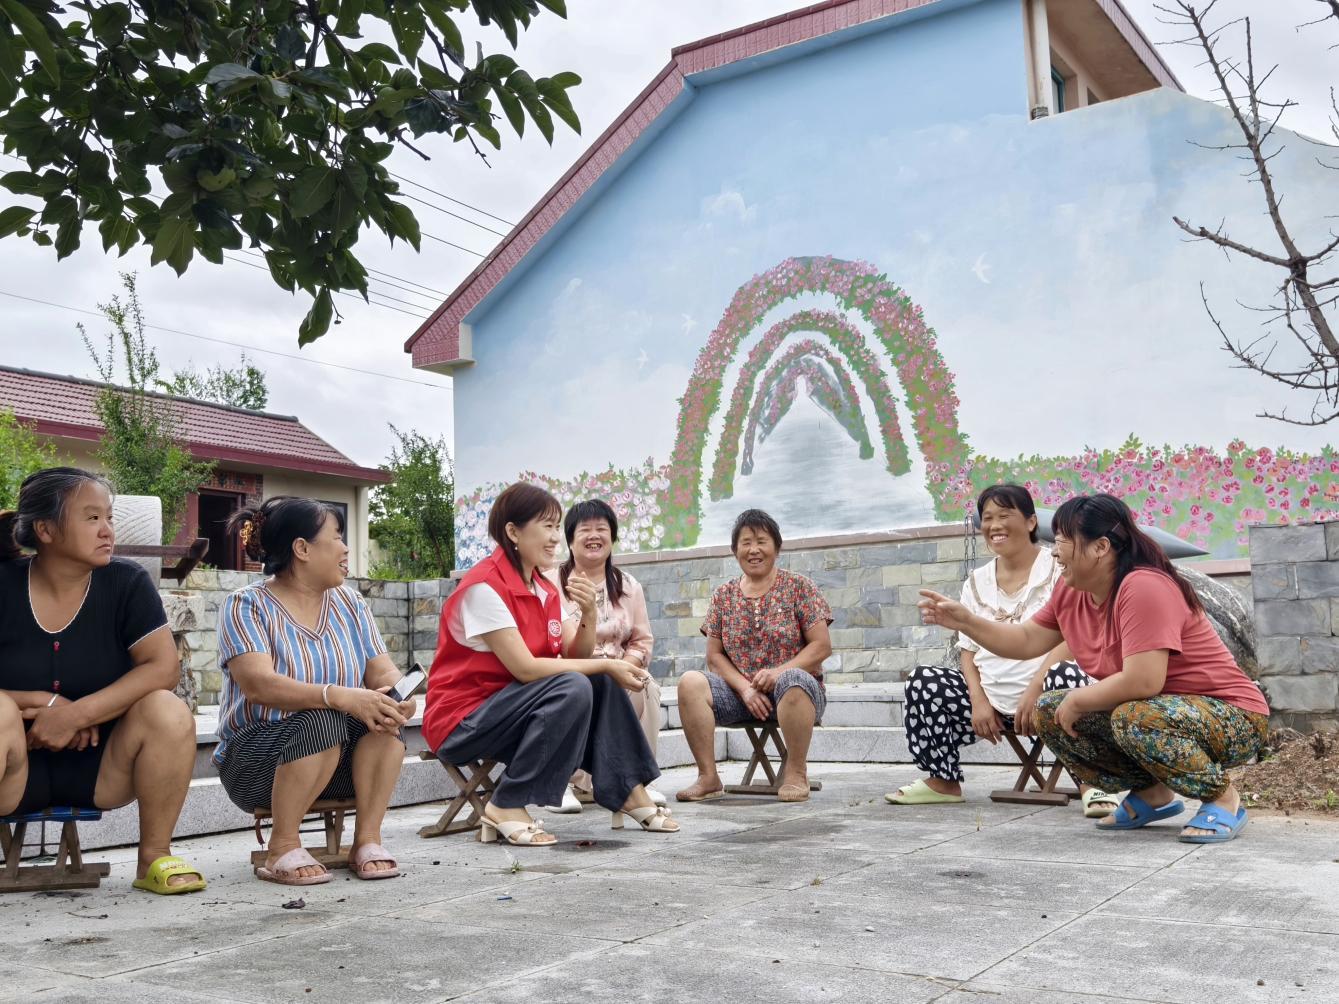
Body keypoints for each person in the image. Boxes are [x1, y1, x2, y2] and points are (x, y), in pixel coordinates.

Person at [919, 493, 1270, 844]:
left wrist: (1078, 699)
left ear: (1100, 547)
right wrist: (966, 622)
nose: (1054, 552)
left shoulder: (1143, 586)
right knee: (1051, 710)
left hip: (1233, 715)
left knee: (1130, 715)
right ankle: (1152, 794)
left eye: (1062, 541)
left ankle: (1223, 799)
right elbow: (1024, 640)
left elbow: (1144, 679)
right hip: (1163, 712)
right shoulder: (1073, 593)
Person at [422, 483, 677, 846]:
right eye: (547, 526)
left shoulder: (545, 587)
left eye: (557, 527)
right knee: (577, 684)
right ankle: (506, 803)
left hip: (513, 709)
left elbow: (575, 655)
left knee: (596, 683)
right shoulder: (484, 588)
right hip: (463, 721)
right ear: (513, 531)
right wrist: (606, 666)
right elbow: (525, 669)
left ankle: (630, 791)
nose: (556, 538)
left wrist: (588, 614)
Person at [0, 467, 204, 894]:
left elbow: (162, 668)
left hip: (102, 765)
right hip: (14, 770)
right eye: (92, 518)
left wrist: (77, 716)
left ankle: (154, 858)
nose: (107, 529)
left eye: (109, 517)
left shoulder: (125, 582)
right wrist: (40, 703)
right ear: (46, 529)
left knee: (167, 708)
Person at [215, 496, 413, 885]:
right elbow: (258, 685)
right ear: (302, 549)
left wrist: (396, 693)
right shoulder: (246, 605)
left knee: (384, 720)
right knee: (323, 720)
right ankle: (283, 845)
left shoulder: (350, 603)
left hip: (338, 764)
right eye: (336, 537)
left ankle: (368, 840)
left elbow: (381, 670)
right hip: (257, 763)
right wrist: (339, 696)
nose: (345, 548)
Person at [887, 484, 1117, 817]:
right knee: (923, 681)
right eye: (988, 518)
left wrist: (1036, 690)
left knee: (1069, 675)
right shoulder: (975, 581)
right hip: (991, 703)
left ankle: (1092, 783)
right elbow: (967, 648)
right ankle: (943, 781)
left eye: (1005, 515)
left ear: (1031, 522)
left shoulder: (1059, 570)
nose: (994, 526)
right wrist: (978, 701)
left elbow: (1073, 637)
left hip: (1049, 697)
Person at [675, 509, 832, 803]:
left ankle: (796, 774)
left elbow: (821, 646)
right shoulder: (724, 595)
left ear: (777, 546)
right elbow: (714, 656)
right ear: (735, 551)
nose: (754, 549)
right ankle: (708, 777)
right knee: (690, 682)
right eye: (746, 542)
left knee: (795, 679)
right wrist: (745, 689)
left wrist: (778, 673)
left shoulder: (800, 587)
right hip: (742, 696)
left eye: (762, 541)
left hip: (796, 694)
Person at [545, 498, 666, 813]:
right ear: (570, 540)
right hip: (567, 670)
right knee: (578, 688)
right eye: (585, 530)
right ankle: (562, 783)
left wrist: (622, 669)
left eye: (602, 529)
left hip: (619, 668)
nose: (594, 535)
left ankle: (637, 781)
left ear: (612, 538)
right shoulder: (549, 584)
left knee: (647, 685)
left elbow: (642, 640)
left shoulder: (628, 586)